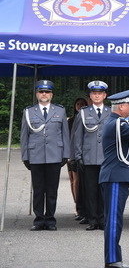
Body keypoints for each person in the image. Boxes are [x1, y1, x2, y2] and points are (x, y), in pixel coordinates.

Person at [100, 89, 129, 268]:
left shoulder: (118, 122)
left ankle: (114, 259)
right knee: (113, 220)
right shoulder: (116, 123)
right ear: (121, 106)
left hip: (118, 175)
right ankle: (112, 261)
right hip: (114, 176)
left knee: (116, 220)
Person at [21, 80, 70, 231]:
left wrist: (65, 154)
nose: (44, 94)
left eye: (47, 92)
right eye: (41, 91)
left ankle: (50, 219)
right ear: (36, 94)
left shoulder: (60, 111)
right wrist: (25, 156)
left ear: (52, 95)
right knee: (38, 189)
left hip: (54, 155)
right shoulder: (29, 112)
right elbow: (24, 135)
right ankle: (38, 220)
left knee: (51, 190)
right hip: (35, 156)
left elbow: (65, 134)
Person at [73, 80, 110, 231]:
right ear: (90, 95)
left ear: (104, 95)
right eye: (94, 93)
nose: (97, 96)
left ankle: (103, 219)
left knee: (103, 190)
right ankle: (92, 219)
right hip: (88, 158)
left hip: (106, 158)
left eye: (99, 93)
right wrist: (78, 155)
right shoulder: (83, 113)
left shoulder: (110, 112)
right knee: (90, 190)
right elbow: (77, 136)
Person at [68, 96, 88, 220]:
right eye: (78, 104)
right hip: (72, 153)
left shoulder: (87, 117)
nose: (79, 106)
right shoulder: (70, 120)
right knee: (73, 180)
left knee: (82, 181)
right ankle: (77, 204)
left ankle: (82, 207)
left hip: (84, 154)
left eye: (82, 104)